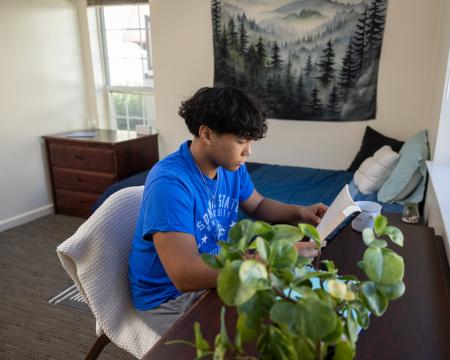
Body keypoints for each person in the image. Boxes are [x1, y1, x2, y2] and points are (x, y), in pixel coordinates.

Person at [128, 86, 327, 335]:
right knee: (267, 330)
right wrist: (275, 258)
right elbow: (185, 275)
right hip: (170, 298)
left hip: (213, 271)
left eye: (250, 141)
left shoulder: (230, 167)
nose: (249, 151)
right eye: (241, 141)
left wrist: (300, 212)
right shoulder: (170, 183)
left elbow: (258, 205)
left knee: (297, 303)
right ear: (207, 135)